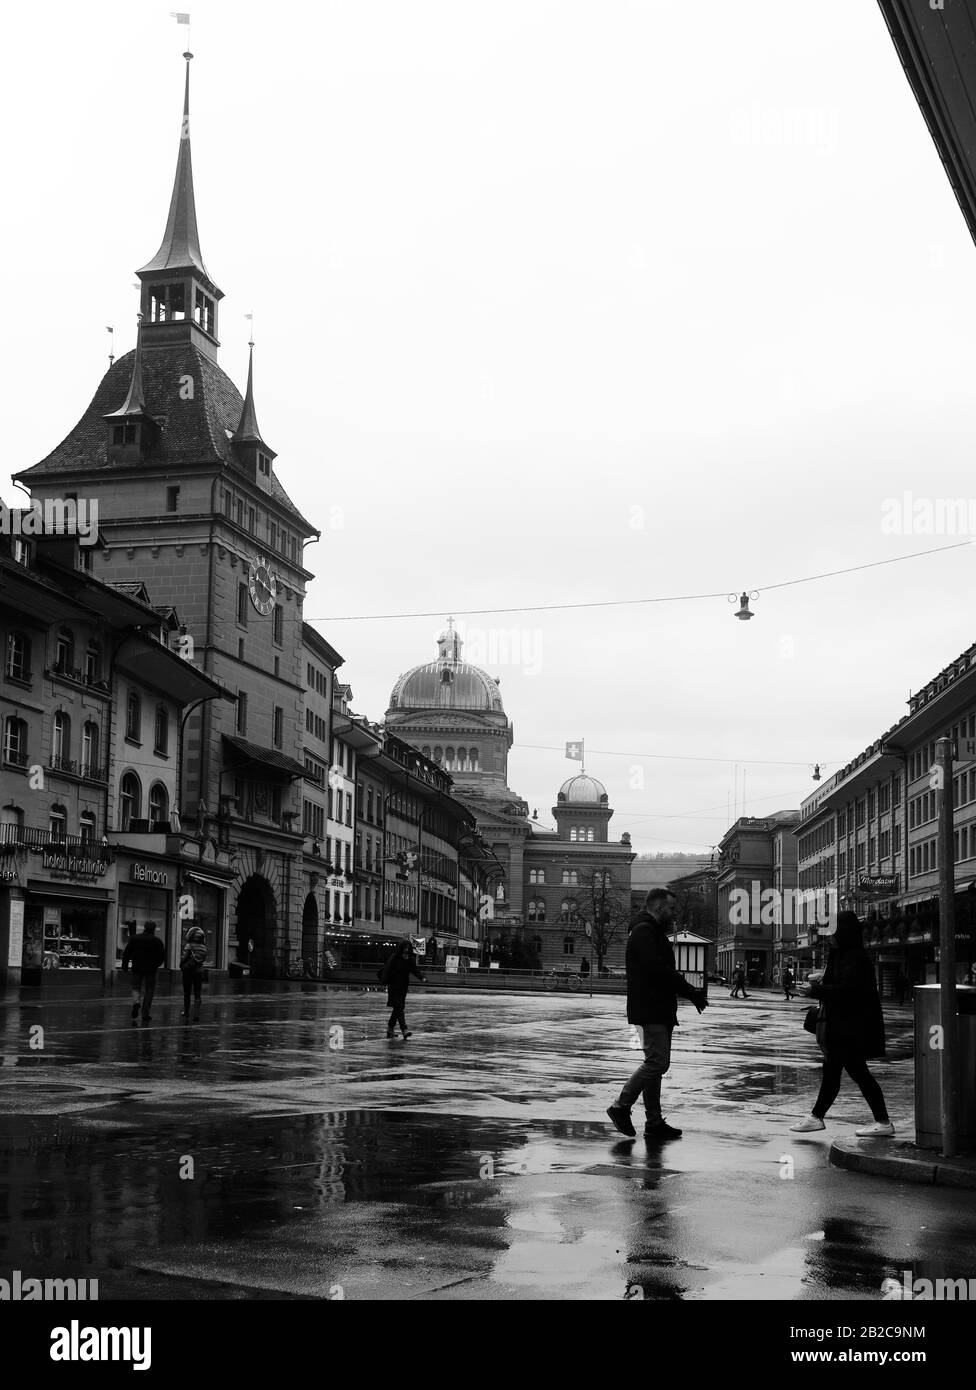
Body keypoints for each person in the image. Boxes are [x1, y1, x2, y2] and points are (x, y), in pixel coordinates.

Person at [606, 888, 708, 1142]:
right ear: (659, 907)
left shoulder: (649, 931)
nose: (675, 915)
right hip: (650, 1007)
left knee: (655, 1063)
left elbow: (660, 971)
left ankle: (653, 1122)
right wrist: (691, 991)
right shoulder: (644, 931)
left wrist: (688, 992)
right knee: (657, 1063)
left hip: (656, 1007)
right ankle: (620, 1106)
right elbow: (659, 971)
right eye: (672, 909)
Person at [790, 911, 893, 1136]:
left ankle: (883, 1123)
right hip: (841, 1028)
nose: (829, 937)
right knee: (835, 1073)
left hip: (850, 1029)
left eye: (833, 932)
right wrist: (821, 979)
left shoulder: (855, 958)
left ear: (844, 932)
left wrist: (816, 989)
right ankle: (816, 1117)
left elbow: (849, 991)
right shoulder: (840, 955)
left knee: (857, 1074)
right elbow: (840, 984)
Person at [120, 922, 165, 1024]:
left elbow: (127, 953)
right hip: (151, 970)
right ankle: (145, 1013)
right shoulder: (157, 941)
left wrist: (125, 966)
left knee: (136, 987)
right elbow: (162, 956)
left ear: (144, 928)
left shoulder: (135, 938)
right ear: (153, 929)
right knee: (149, 990)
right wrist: (156, 964)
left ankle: (136, 1002)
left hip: (137, 967)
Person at [381, 941, 426, 1039]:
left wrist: (422, 977)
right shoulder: (395, 957)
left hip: (403, 986)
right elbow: (387, 969)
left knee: (397, 1009)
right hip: (393, 985)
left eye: (408, 947)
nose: (407, 949)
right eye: (405, 947)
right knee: (399, 1007)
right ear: (401, 948)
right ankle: (404, 1030)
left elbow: (414, 970)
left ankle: (390, 1029)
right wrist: (384, 981)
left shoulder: (410, 959)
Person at [179, 925, 207, 1022]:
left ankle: (186, 1012)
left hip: (188, 971)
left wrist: (181, 965)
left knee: (187, 993)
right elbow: (203, 959)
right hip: (199, 971)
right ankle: (196, 1014)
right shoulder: (204, 947)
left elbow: (184, 957)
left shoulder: (189, 945)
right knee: (197, 993)